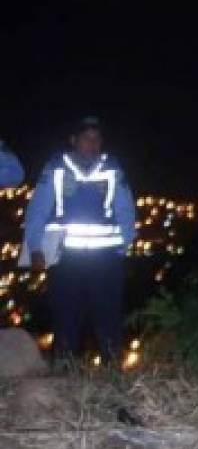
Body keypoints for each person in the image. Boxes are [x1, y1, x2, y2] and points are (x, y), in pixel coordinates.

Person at [22, 117, 135, 363]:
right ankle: (64, 376)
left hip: (105, 259)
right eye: (86, 138)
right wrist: (35, 247)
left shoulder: (112, 169)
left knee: (109, 321)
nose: (92, 144)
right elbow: (38, 209)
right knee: (66, 320)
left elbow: (125, 208)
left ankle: (113, 378)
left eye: (97, 139)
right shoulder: (56, 168)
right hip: (66, 259)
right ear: (73, 140)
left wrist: (124, 245)